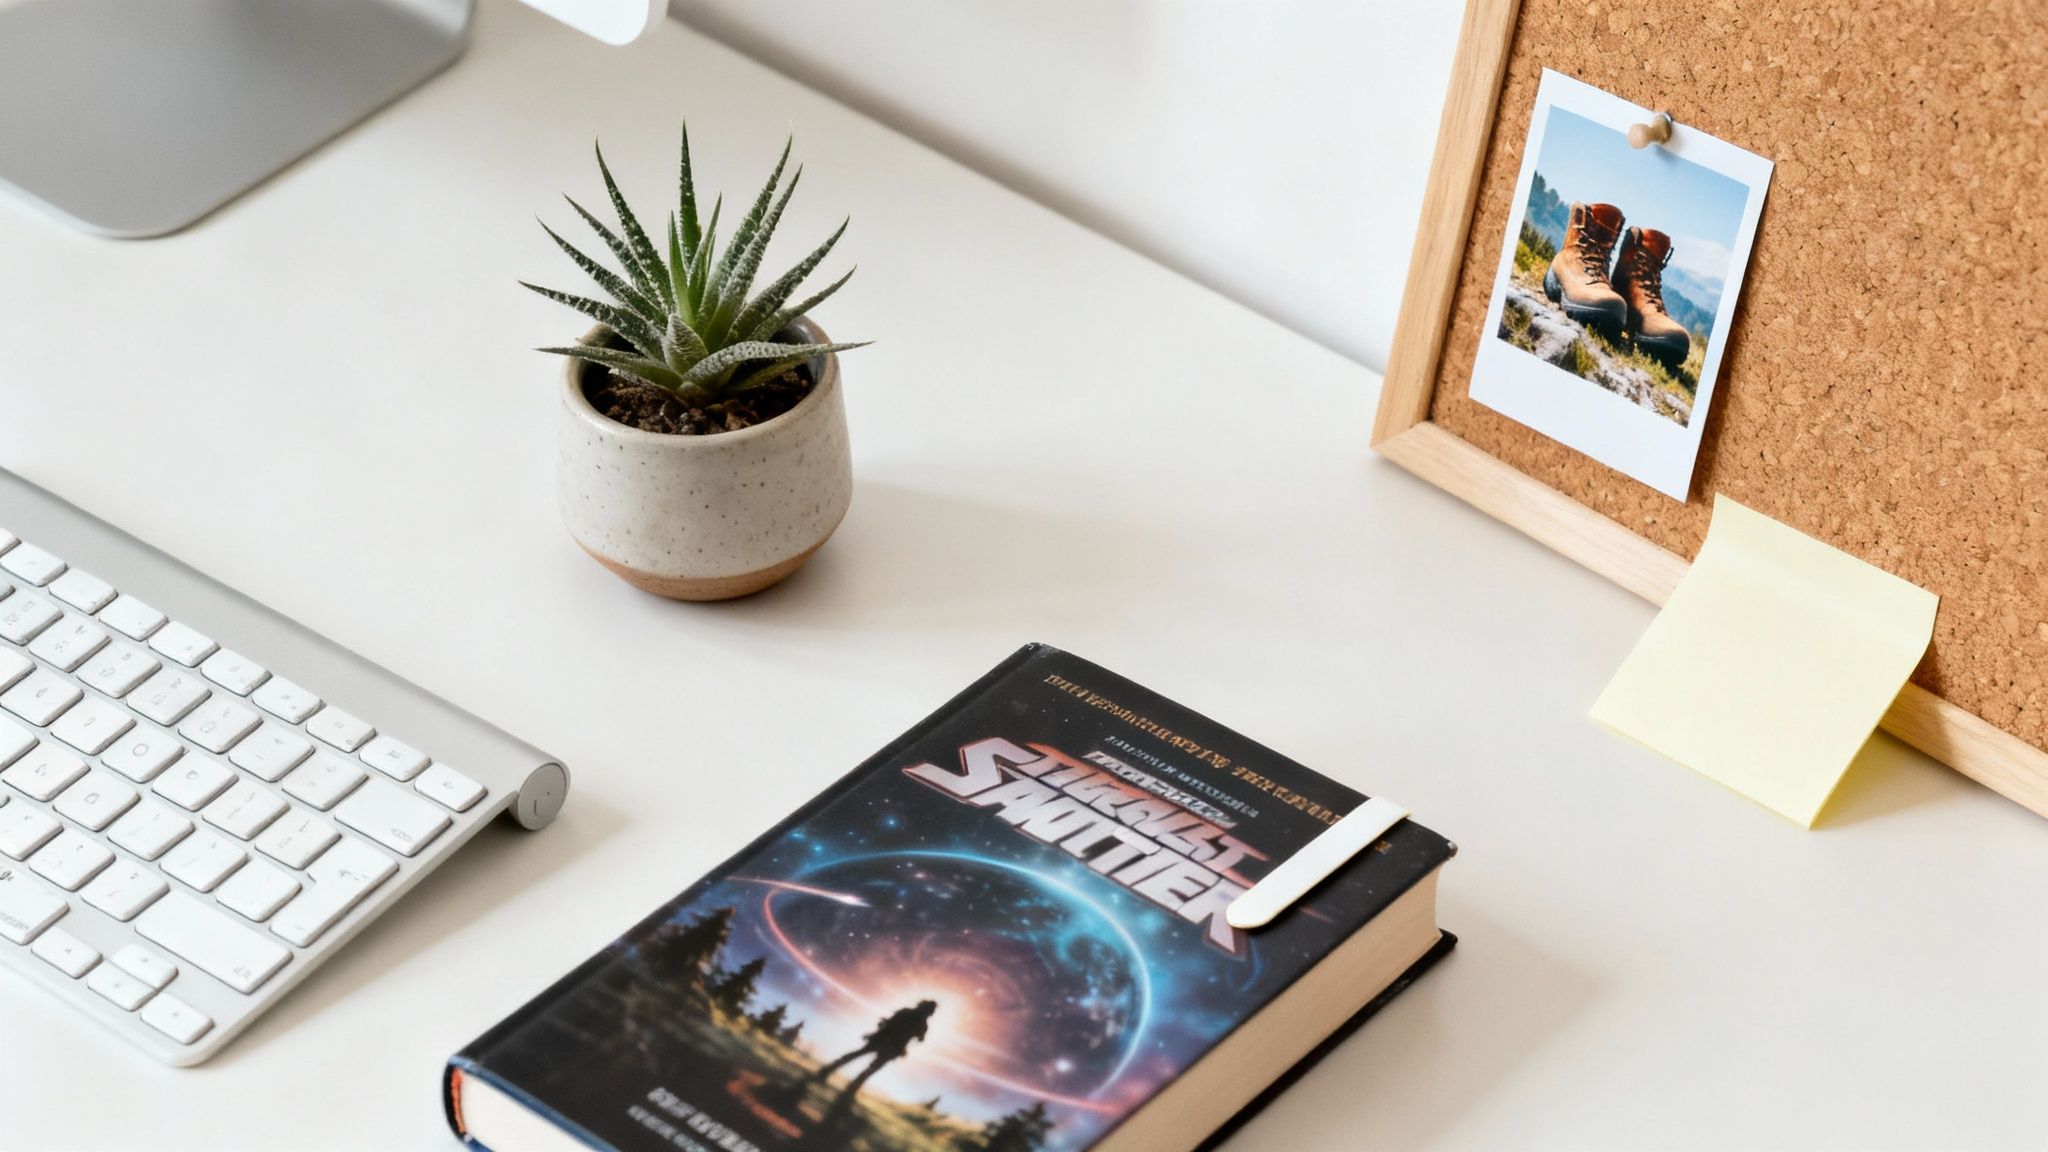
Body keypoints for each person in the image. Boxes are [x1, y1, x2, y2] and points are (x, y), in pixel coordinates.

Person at [799, 1000, 938, 1103]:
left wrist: (883, 1031)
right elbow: (897, 1026)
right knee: (861, 1060)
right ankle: (833, 1074)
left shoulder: (915, 1019)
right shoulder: (913, 1017)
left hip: (889, 1045)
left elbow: (917, 1037)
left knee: (865, 1063)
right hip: (886, 1042)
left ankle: (843, 1081)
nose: (926, 1012)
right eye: (927, 1010)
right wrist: (880, 1030)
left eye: (927, 1010)